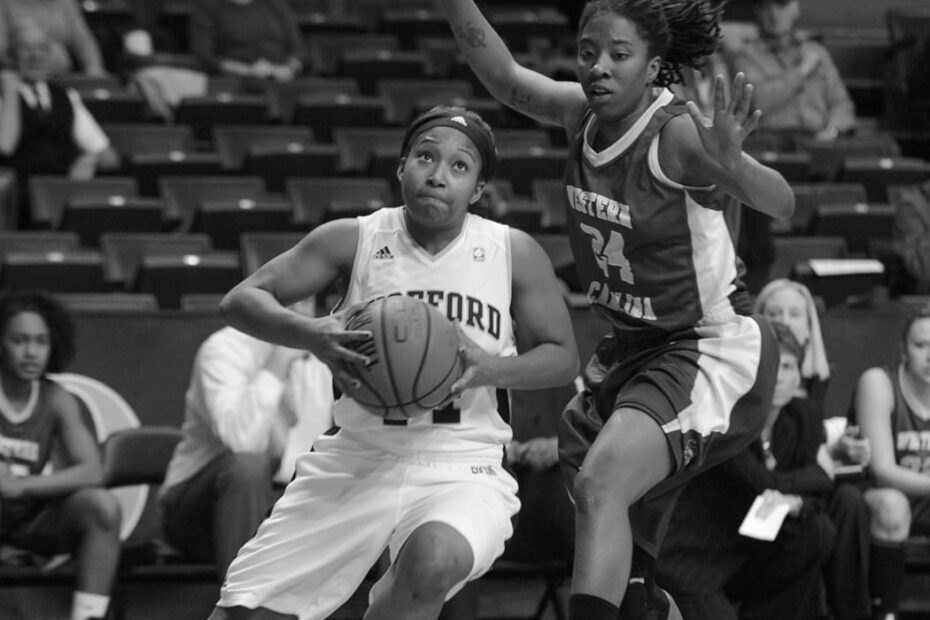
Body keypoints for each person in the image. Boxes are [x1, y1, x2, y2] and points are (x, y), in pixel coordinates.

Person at [436, 0, 795, 617]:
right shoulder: (580, 116)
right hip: (631, 351)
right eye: (587, 53)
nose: (598, 67)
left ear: (654, 65)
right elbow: (503, 77)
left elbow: (782, 202)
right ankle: (646, 602)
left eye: (618, 55)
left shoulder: (678, 134)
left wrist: (732, 162)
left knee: (601, 482)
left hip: (705, 345)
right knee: (610, 528)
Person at [208, 104, 580, 619]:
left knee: (432, 563)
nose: (438, 174)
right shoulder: (352, 239)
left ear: (476, 190)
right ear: (402, 166)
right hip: (357, 459)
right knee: (245, 614)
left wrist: (490, 369)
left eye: (459, 166)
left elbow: (562, 357)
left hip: (462, 464)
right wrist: (310, 332)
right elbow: (240, 301)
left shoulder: (511, 251)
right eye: (426, 157)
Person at [656, 321, 837, 619]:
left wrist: (797, 501)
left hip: (752, 551)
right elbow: (763, 484)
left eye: (788, 367)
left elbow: (816, 498)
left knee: (817, 532)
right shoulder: (726, 419)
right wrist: (820, 476)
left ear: (798, 378)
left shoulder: (802, 417)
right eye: (772, 367)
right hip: (698, 557)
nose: (778, 378)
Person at [158, 298, 335, 581]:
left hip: (284, 501)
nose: (299, 311)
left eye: (306, 302)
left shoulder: (319, 356)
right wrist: (276, 365)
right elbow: (242, 441)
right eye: (289, 301)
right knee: (248, 466)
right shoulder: (224, 350)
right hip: (201, 509)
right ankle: (241, 604)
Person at [0, 290, 122, 620]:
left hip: (30, 516)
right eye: (19, 340)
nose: (31, 352)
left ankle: (87, 617)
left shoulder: (56, 398)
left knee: (102, 507)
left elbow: (92, 471)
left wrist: (24, 487)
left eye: (41, 341)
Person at [0, 21, 118, 228]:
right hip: (15, 197)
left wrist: (89, 159)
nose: (34, 56)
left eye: (41, 48)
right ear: (11, 56)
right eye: (26, 48)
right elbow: (5, 146)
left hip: (62, 193)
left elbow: (108, 156)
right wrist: (10, 93)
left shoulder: (66, 96)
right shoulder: (4, 96)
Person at [853, 305, 930, 620]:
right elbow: (882, 471)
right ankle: (885, 613)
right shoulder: (879, 382)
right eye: (921, 345)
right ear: (903, 350)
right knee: (892, 505)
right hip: (876, 496)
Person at [727, 0, 856, 144]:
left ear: (795, 8)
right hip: (770, 144)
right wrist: (801, 72)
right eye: (766, 7)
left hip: (818, 142)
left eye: (781, 6)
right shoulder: (744, 56)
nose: (774, 15)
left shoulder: (816, 52)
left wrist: (832, 132)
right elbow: (759, 103)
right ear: (758, 11)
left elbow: (842, 105)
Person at [753, 278, 831, 409]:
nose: (785, 321)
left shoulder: (818, 375)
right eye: (774, 314)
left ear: (809, 325)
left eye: (794, 314)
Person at [189, 0, 305, 83]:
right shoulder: (207, 5)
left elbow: (298, 47)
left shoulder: (274, 3)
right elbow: (204, 55)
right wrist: (248, 71)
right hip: (235, 79)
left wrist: (288, 69)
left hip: (281, 76)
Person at [0, 0, 106, 77]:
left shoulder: (65, 3)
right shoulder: (5, 4)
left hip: (62, 77)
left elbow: (84, 42)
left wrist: (94, 69)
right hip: (22, 77)